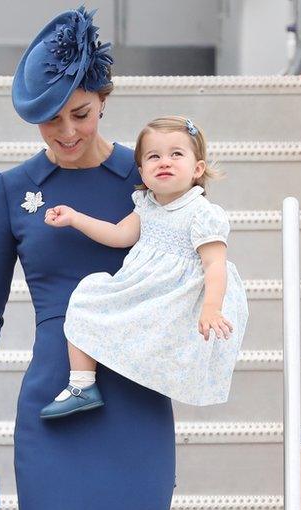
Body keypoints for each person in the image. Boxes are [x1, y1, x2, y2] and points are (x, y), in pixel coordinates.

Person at [0, 7, 176, 510]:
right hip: (55, 406)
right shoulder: (11, 189)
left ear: (103, 100)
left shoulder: (150, 181)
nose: (67, 132)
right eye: (52, 119)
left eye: (81, 113)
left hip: (139, 403)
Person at [40, 116, 249, 419]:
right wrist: (75, 218)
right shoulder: (147, 205)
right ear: (142, 172)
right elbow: (118, 235)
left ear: (198, 169)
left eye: (176, 154)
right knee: (87, 297)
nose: (164, 162)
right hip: (144, 289)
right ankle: (82, 385)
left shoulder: (202, 214)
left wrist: (211, 307)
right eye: (154, 156)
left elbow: (215, 264)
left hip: (180, 298)